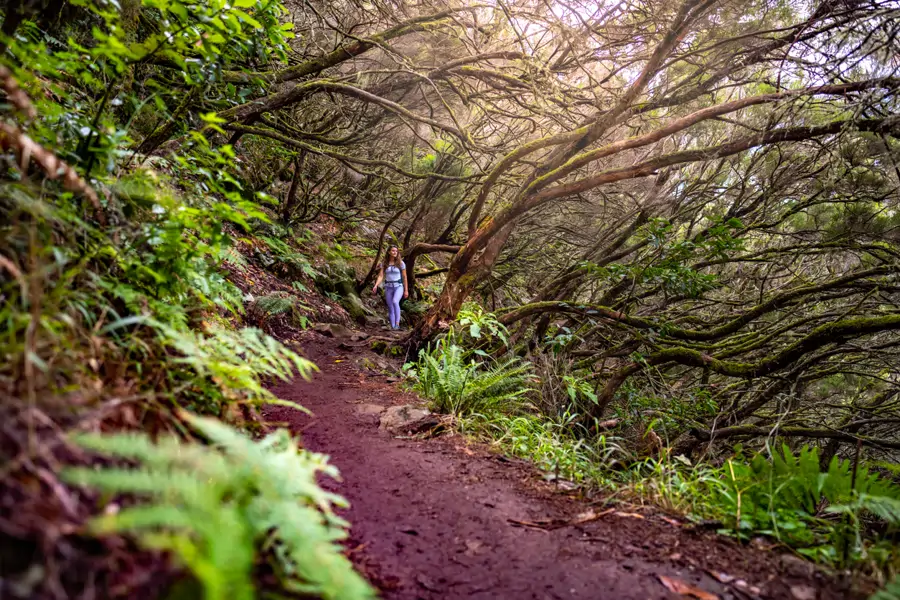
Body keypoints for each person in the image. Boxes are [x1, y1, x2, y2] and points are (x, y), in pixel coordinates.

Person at [372, 245, 408, 330]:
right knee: (390, 307)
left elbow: (405, 277)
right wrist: (376, 285)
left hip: (398, 287)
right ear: (389, 252)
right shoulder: (384, 263)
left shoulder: (401, 263)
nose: (395, 252)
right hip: (388, 287)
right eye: (393, 251)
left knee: (395, 302)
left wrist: (406, 290)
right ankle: (393, 327)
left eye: (396, 251)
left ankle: (397, 324)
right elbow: (381, 276)